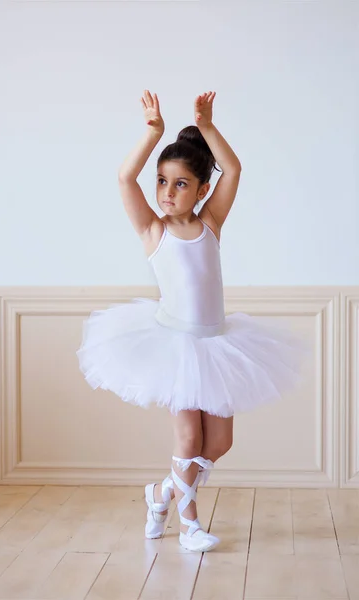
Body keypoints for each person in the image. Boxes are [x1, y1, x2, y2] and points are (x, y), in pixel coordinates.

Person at [76, 89, 308, 553]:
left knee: (218, 442)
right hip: (175, 346)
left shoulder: (211, 224)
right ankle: (188, 524)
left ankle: (160, 493)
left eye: (181, 184)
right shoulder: (153, 231)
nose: (167, 192)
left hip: (219, 344)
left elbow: (235, 169)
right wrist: (152, 134)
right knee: (188, 437)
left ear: (202, 190)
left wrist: (206, 126)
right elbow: (125, 177)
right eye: (162, 181)